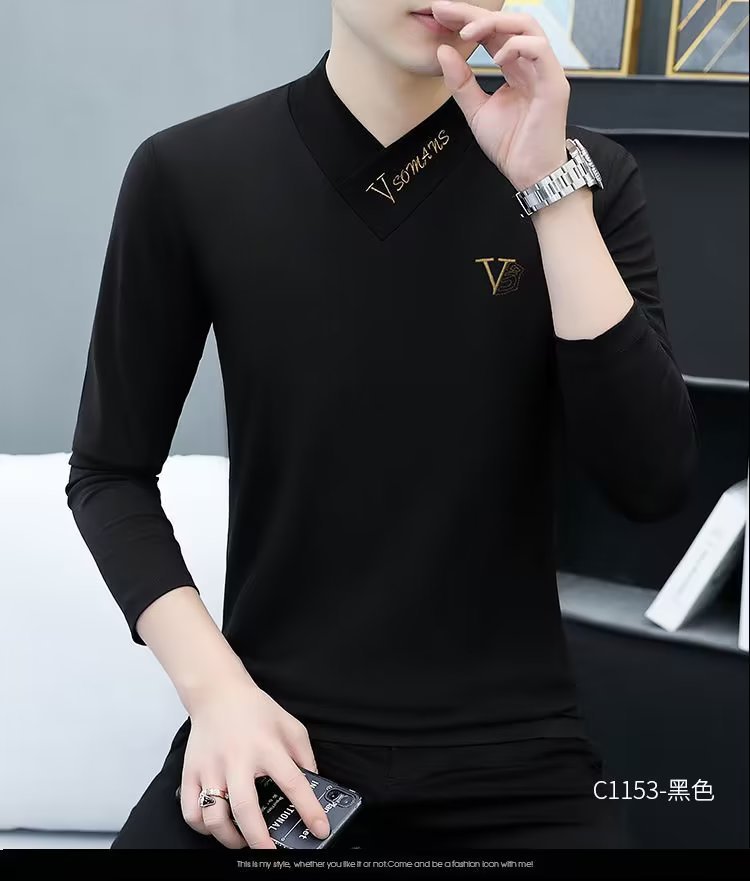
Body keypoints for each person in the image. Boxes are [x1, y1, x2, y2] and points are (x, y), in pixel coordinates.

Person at [65, 0, 698, 850]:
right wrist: (218, 694)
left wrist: (551, 194)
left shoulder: (586, 177)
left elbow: (652, 481)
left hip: (518, 761)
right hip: (278, 739)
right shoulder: (190, 173)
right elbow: (109, 472)